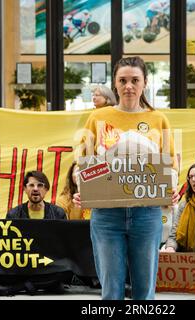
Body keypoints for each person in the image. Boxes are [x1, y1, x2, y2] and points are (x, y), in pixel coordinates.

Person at [73, 56, 179, 300]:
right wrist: (83, 189)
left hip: (147, 213)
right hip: (107, 215)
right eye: (123, 80)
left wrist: (171, 188)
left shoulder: (158, 119)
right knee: (111, 292)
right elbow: (85, 161)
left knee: (144, 292)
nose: (129, 86)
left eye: (134, 80)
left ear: (145, 83)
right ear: (115, 84)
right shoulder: (98, 118)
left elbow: (170, 164)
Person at [0, 171, 68, 297]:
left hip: (48, 264)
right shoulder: (13, 214)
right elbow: (7, 246)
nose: (36, 189)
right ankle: (45, 284)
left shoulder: (58, 213)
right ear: (25, 188)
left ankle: (15, 288)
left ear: (46, 189)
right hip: (22, 265)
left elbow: (64, 244)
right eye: (31, 185)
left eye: (40, 185)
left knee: (67, 270)